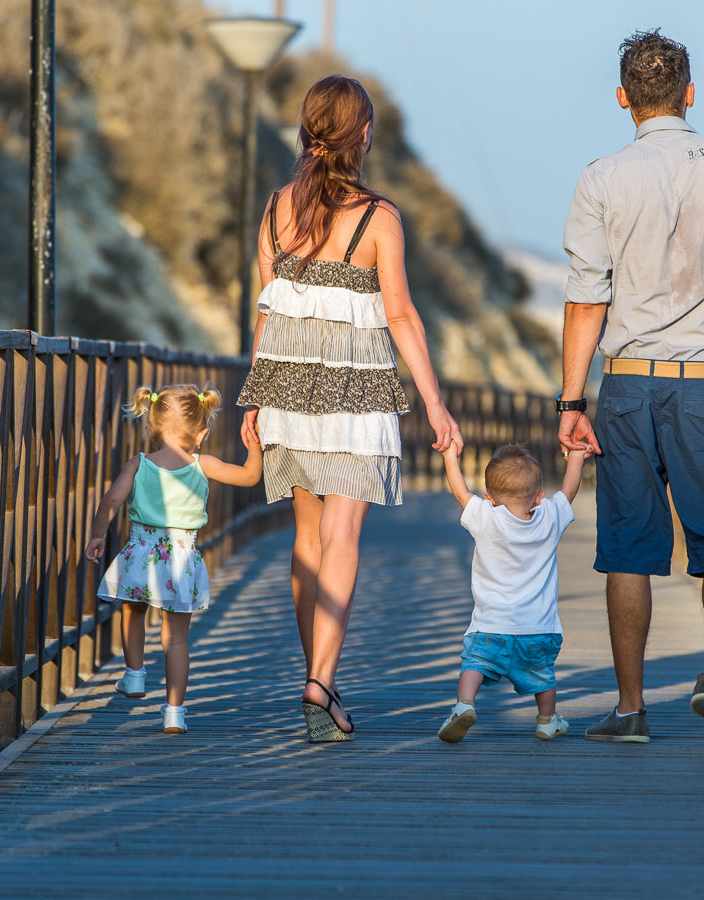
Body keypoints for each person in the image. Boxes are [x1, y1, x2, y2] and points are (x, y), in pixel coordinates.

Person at [558, 29, 704, 748]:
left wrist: (573, 399)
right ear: (689, 93)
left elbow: (584, 302)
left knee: (628, 546)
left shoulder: (601, 176)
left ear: (624, 98)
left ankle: (631, 709)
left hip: (629, 384)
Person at [237, 74, 462, 743]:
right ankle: (320, 683)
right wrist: (434, 402)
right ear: (363, 135)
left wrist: (254, 394)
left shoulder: (276, 209)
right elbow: (399, 314)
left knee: (308, 538)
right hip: (358, 389)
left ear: (308, 131)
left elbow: (267, 310)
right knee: (342, 538)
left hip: (288, 387)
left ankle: (319, 678)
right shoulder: (378, 218)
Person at [85, 384, 262, 734]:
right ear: (202, 433)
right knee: (177, 639)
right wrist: (255, 444)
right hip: (180, 557)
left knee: (132, 612)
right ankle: (174, 713)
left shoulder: (139, 464)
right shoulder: (203, 465)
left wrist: (97, 534)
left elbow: (110, 501)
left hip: (140, 551)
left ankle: (134, 676)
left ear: (150, 429)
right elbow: (250, 476)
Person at [435, 443, 588, 743]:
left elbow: (460, 492)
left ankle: (464, 705)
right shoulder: (550, 516)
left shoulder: (485, 516)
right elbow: (570, 490)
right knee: (543, 674)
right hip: (538, 629)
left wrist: (449, 456)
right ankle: (547, 720)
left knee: (474, 664)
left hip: (490, 627)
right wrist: (577, 457)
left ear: (490, 498)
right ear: (539, 495)